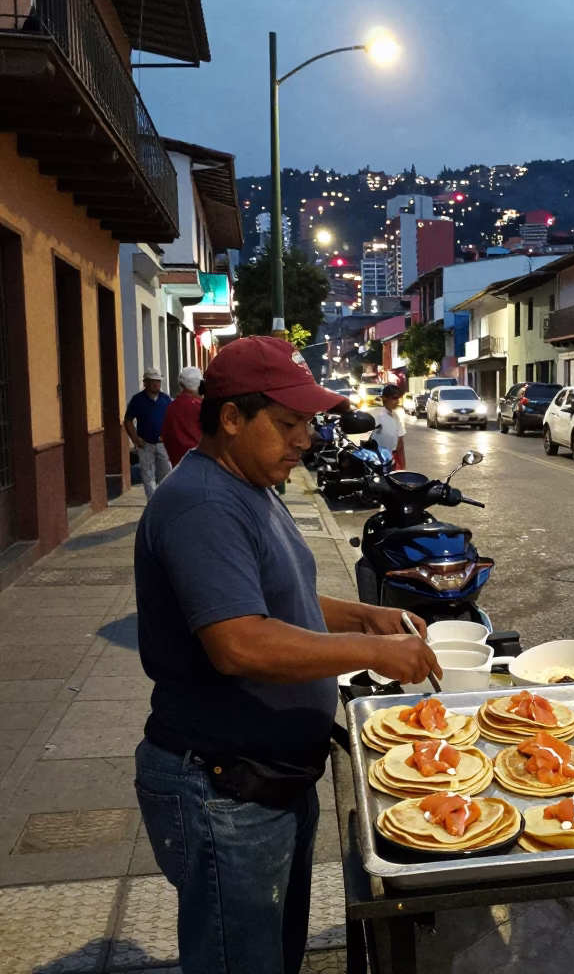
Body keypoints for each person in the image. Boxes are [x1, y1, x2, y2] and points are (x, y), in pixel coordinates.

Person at [132, 336, 440, 974]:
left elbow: (279, 597)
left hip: (268, 783)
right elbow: (239, 642)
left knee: (275, 957)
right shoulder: (202, 505)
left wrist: (365, 615)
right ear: (232, 418)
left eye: (307, 422)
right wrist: (372, 654)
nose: (304, 438)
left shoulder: (253, 485)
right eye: (288, 422)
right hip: (223, 789)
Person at [124, 367, 171, 499]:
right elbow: (128, 420)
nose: (157, 385)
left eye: (159, 382)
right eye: (154, 382)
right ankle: (152, 506)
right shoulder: (138, 400)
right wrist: (135, 439)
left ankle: (162, 504)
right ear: (146, 383)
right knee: (148, 477)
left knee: (165, 476)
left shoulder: (165, 399)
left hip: (162, 444)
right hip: (145, 445)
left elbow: (173, 420)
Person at [161, 366, 204, 467]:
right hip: (199, 461)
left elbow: (165, 434)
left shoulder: (172, 406)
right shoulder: (198, 406)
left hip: (179, 463)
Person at [370, 383, 407, 469]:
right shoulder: (376, 415)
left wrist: (402, 465)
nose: (397, 402)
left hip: (393, 459)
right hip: (377, 460)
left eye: (398, 398)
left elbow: (400, 444)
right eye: (394, 398)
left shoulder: (395, 416)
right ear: (384, 398)